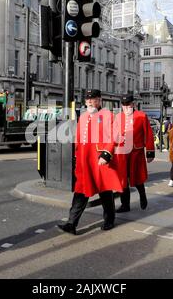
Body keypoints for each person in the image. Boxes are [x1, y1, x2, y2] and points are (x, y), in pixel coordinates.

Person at [58, 90, 123, 235]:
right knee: (81, 190)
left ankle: (109, 220)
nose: (89, 102)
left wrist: (106, 153)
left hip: (100, 159)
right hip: (84, 160)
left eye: (92, 100)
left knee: (105, 191)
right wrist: (76, 155)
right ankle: (71, 223)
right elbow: (79, 137)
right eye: (87, 100)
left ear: (99, 100)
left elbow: (115, 135)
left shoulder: (107, 115)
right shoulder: (83, 116)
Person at [114, 94, 155, 213]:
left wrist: (150, 152)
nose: (126, 107)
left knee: (137, 177)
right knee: (122, 180)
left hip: (136, 152)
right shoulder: (118, 117)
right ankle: (125, 205)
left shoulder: (141, 116)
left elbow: (148, 134)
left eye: (128, 105)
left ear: (133, 104)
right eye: (124, 105)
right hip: (121, 153)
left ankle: (143, 195)